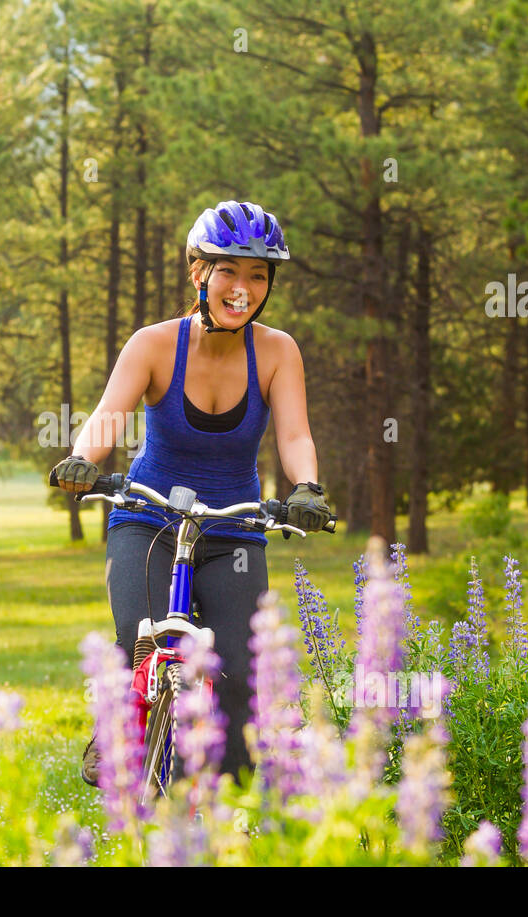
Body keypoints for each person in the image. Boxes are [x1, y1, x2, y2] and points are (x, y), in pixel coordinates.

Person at [50, 200, 332, 785]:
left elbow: (296, 432)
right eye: (228, 270)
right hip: (148, 517)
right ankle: (122, 730)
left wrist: (305, 486)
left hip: (233, 526)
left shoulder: (278, 352)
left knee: (237, 676)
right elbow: (108, 417)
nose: (242, 288)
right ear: (198, 272)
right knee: (143, 641)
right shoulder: (154, 344)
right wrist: (83, 460)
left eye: (259, 275)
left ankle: (222, 816)